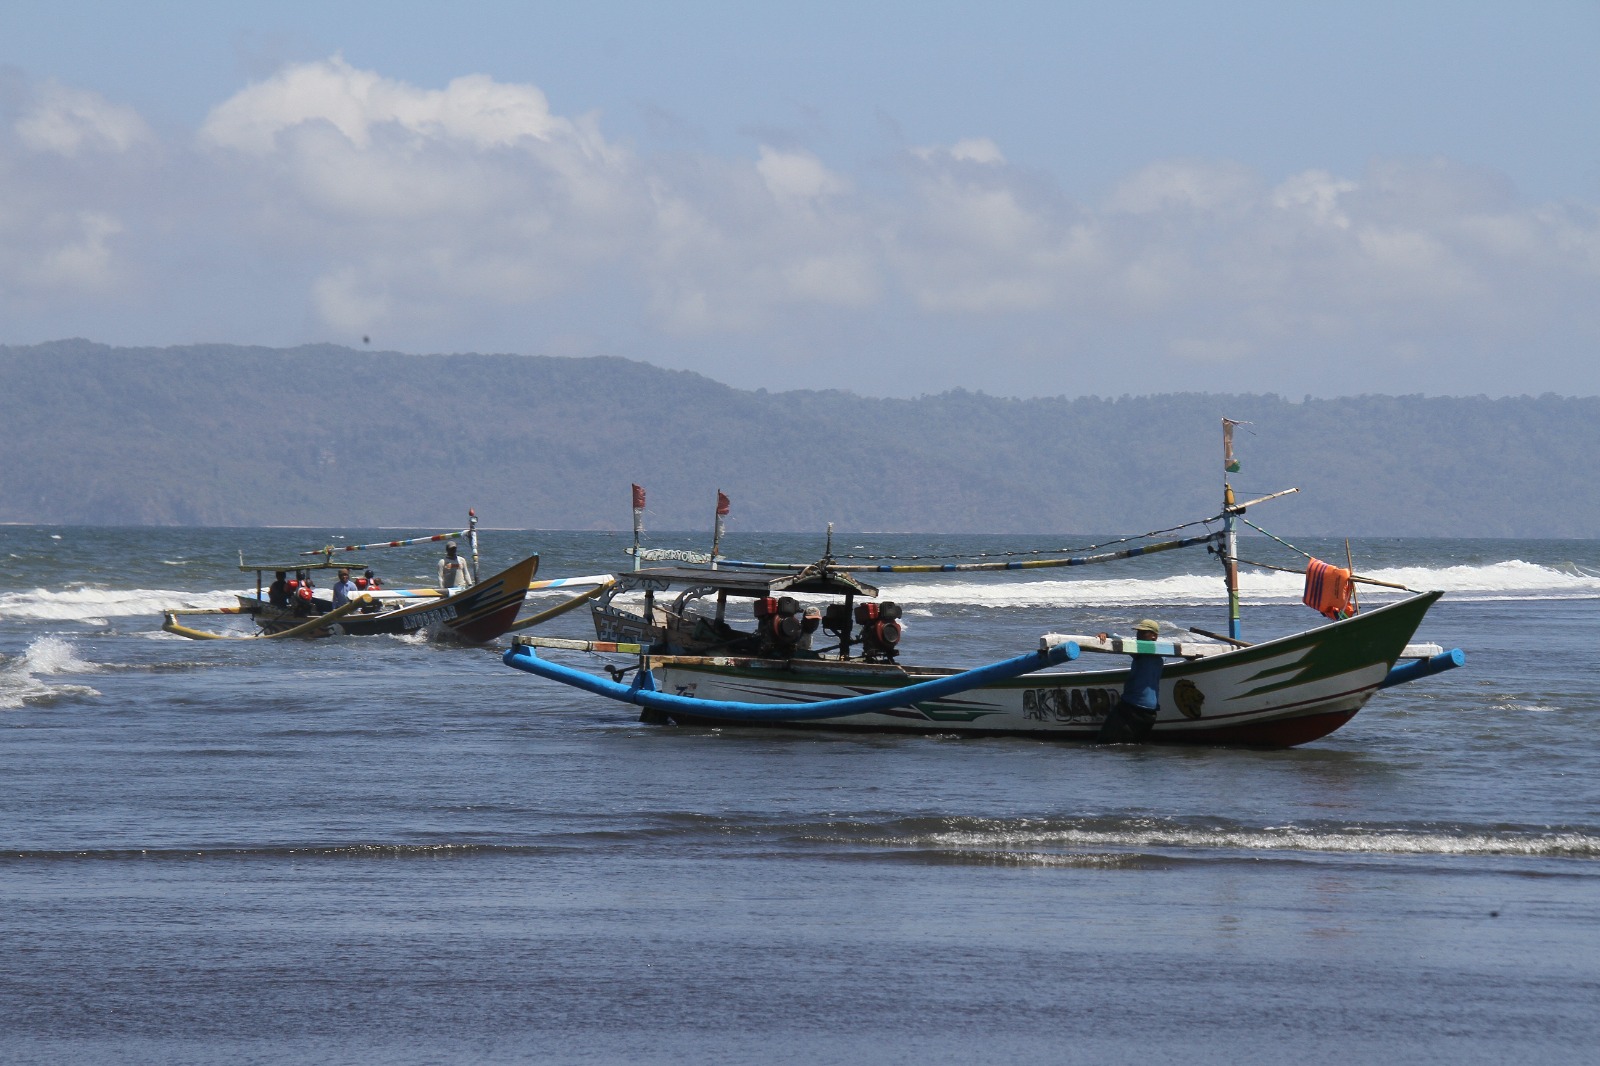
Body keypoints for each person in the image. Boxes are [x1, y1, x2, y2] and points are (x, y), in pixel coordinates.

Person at [1095, 618, 1164, 743]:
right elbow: (1123, 641)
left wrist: (1107, 634)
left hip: (1131, 708)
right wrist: (1108, 635)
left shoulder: (1142, 654)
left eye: (1143, 633)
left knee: (1104, 743)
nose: (1139, 636)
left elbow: (1123, 642)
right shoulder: (1160, 656)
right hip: (1150, 713)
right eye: (1138, 633)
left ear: (1154, 636)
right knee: (1134, 748)